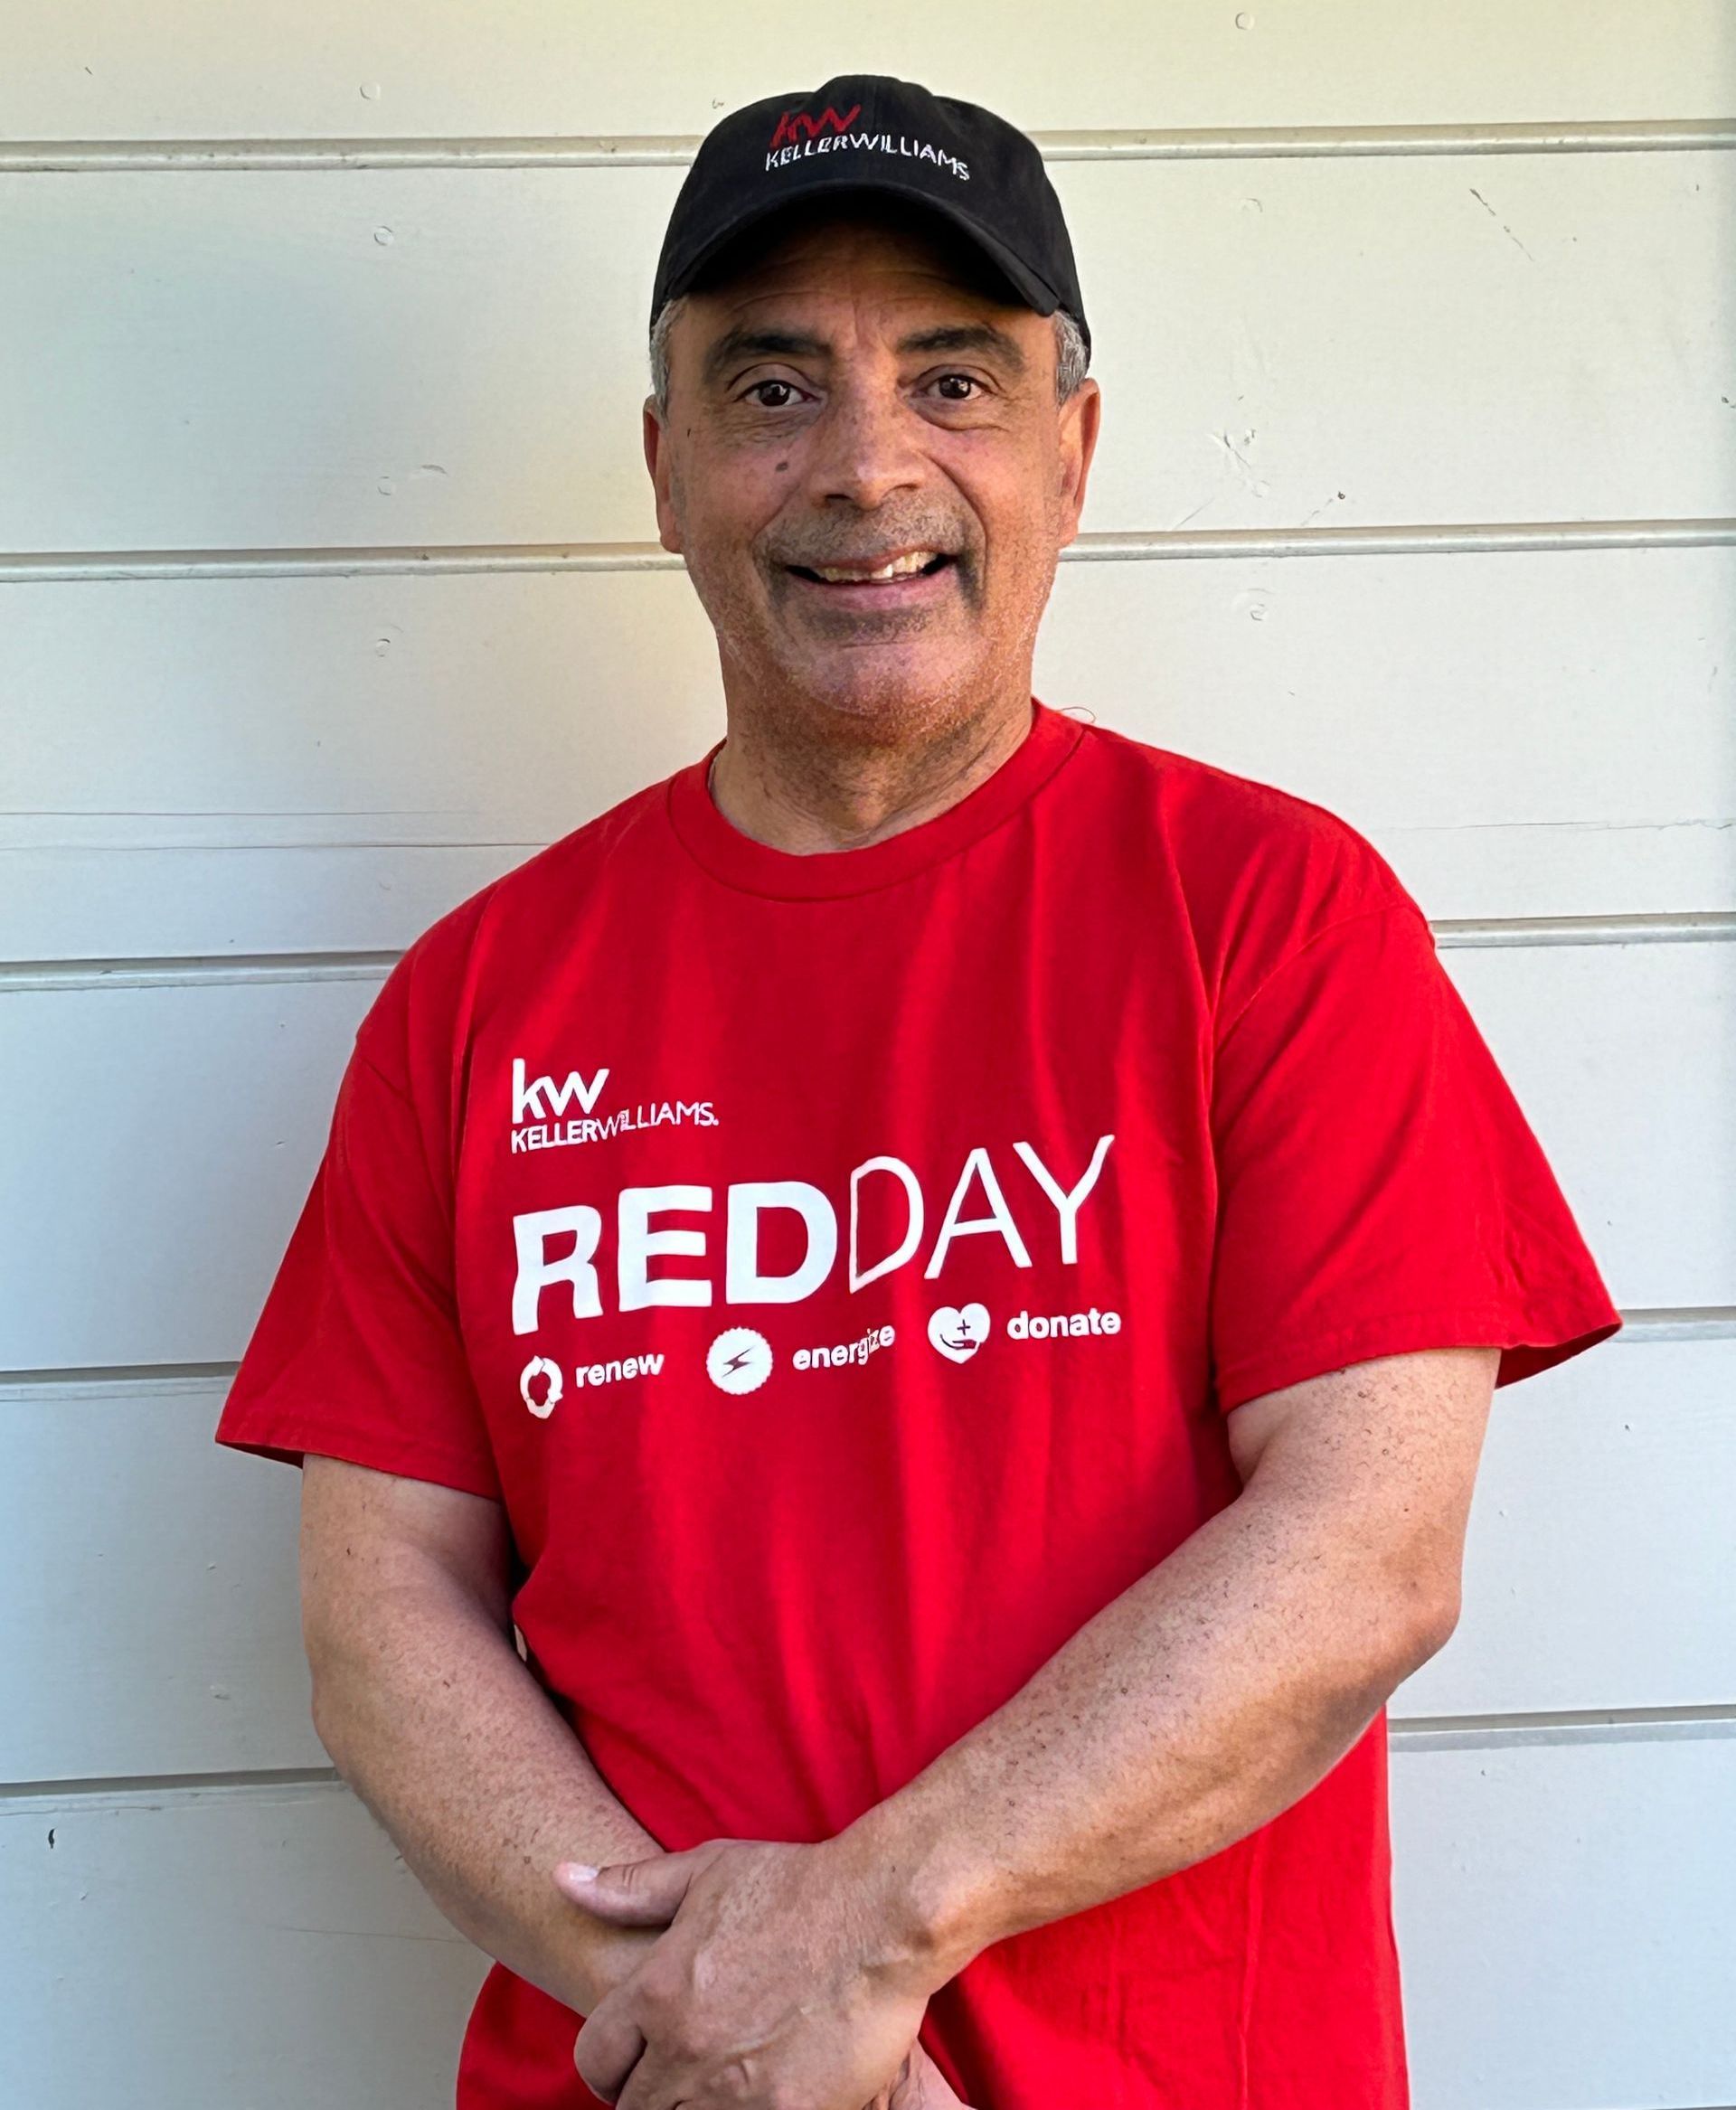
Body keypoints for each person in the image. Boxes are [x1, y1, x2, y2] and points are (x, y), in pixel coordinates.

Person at [214, 72, 1624, 2110]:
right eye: (772, 388)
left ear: (1072, 451)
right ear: (666, 467)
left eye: (953, 382)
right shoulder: (478, 1004)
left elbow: (1365, 1546)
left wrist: (859, 1941)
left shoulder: (1270, 917)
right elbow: (380, 1615)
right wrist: (707, 2019)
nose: (866, 465)